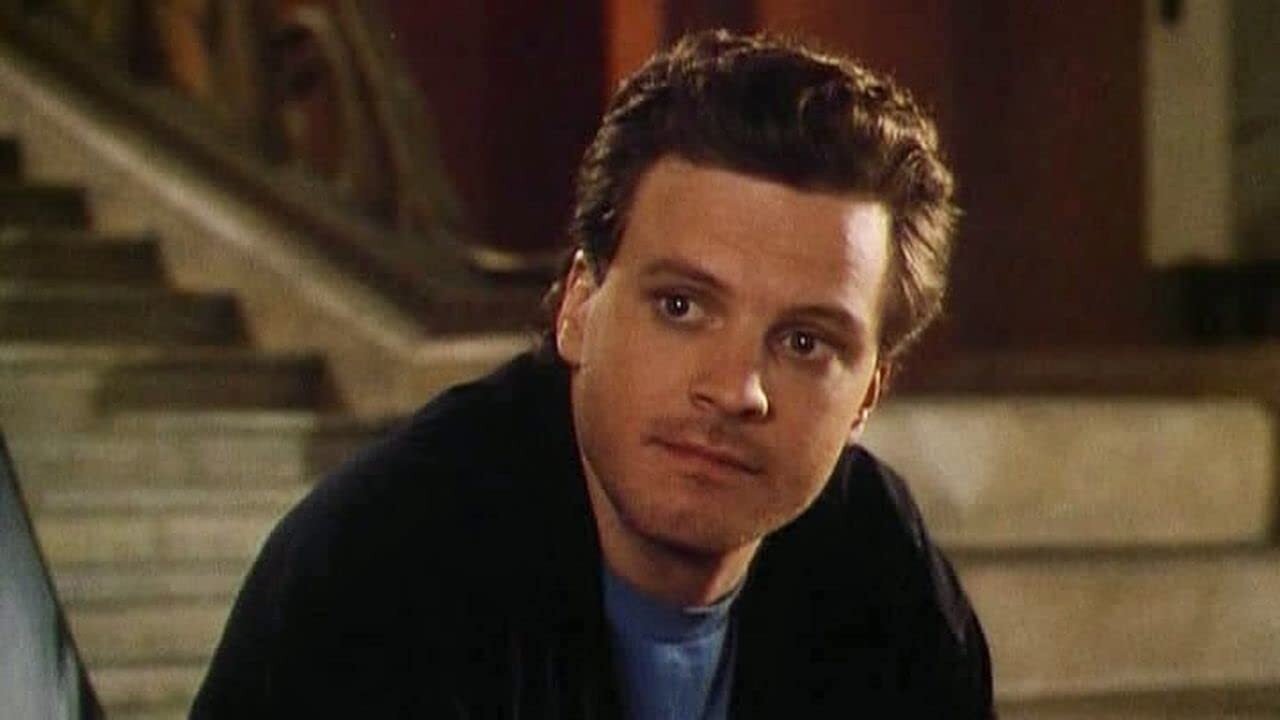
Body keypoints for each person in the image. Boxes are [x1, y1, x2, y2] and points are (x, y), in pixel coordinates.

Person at [192, 29, 993, 718]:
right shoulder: (385, 568)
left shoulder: (877, 562)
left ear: (868, 395)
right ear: (578, 307)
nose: (734, 390)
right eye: (681, 306)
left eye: (806, 344)